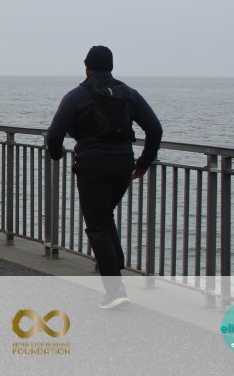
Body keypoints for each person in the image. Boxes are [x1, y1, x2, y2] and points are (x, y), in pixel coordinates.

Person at [46, 45, 163, 309]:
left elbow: (54, 135)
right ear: (111, 66)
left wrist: (57, 155)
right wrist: (144, 163)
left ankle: (115, 290)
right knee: (104, 216)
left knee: (97, 225)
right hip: (123, 165)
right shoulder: (129, 93)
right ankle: (115, 264)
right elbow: (155, 129)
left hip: (92, 165)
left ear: (86, 66)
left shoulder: (77, 95)